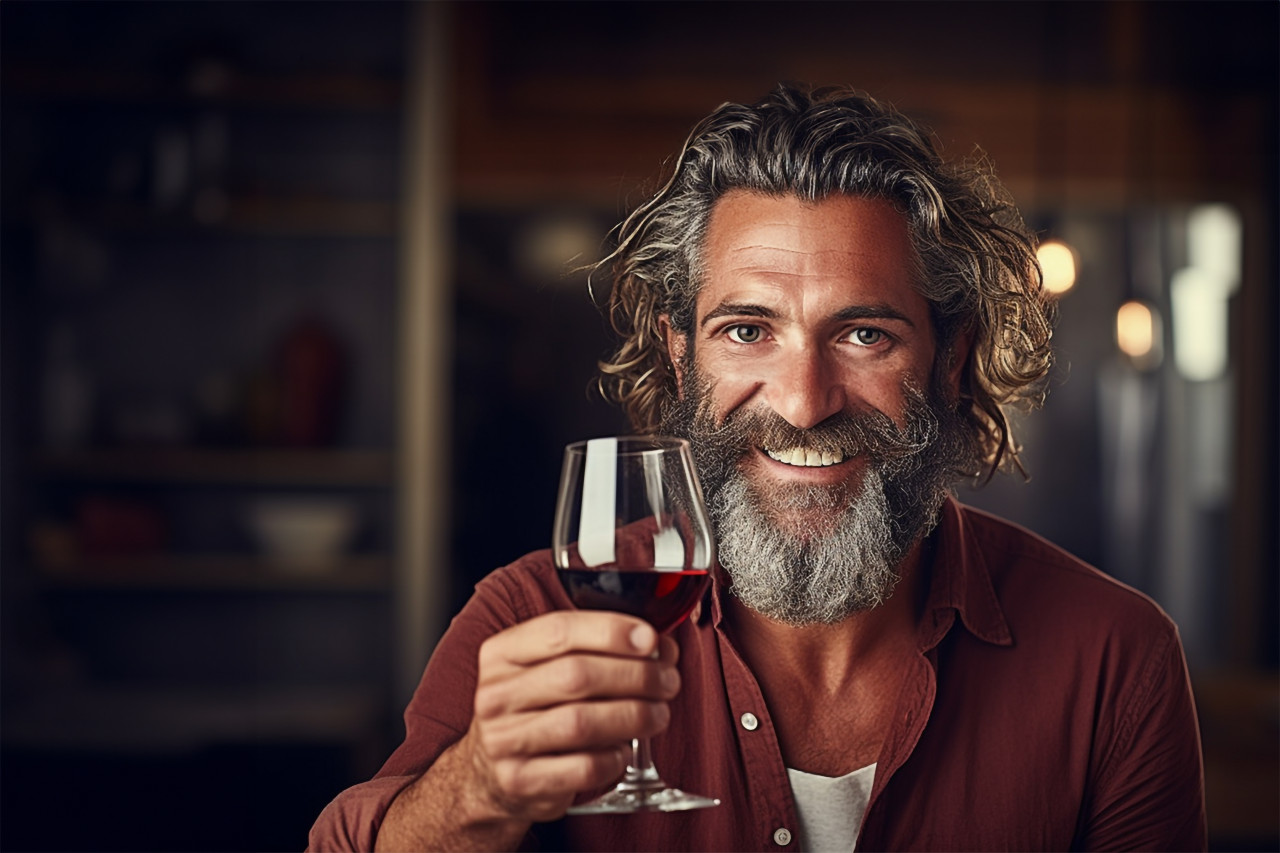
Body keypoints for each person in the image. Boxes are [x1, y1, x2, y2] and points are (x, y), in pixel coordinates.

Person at [309, 85, 1206, 852]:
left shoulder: (1115, 660)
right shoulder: (534, 614)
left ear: (949, 356)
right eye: (747, 330)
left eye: (864, 333)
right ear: (680, 354)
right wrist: (477, 794)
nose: (806, 401)